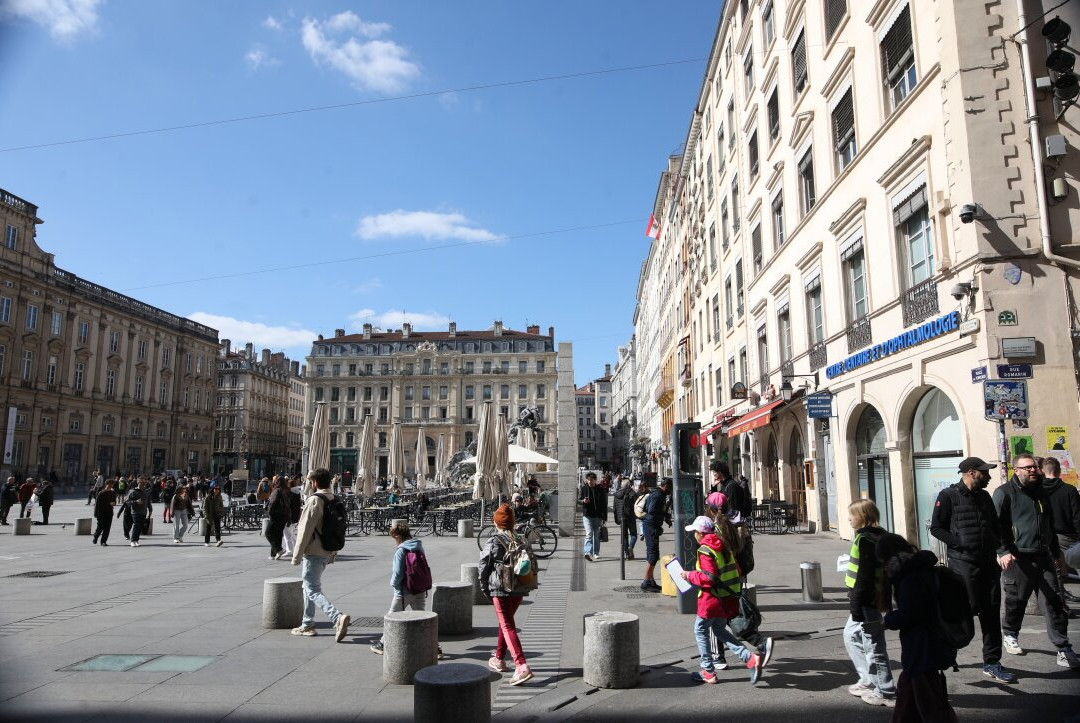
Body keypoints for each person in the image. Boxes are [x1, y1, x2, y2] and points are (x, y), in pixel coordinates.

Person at [929, 456, 1014, 683]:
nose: (988, 476)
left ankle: (992, 662)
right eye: (984, 472)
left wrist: (1001, 550)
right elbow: (936, 528)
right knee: (963, 612)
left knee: (991, 613)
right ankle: (946, 655)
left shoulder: (985, 497)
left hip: (988, 564)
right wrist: (958, 543)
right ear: (970, 472)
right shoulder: (948, 496)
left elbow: (994, 527)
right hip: (963, 564)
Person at [994, 453, 1080, 668]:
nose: (1033, 470)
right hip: (1018, 557)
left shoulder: (1041, 493)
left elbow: (1048, 524)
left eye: (1035, 467)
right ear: (1017, 470)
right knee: (1016, 600)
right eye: (1028, 468)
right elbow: (996, 526)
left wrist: (1056, 554)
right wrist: (1003, 551)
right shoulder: (1004, 493)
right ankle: (1010, 633)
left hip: (1044, 556)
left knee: (1055, 601)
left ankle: (1063, 647)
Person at [876, 532, 960, 722]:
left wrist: (888, 621)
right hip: (926, 644)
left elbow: (912, 612)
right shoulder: (916, 569)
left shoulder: (908, 576)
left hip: (923, 647)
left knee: (930, 703)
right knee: (909, 695)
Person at [679, 515, 764, 685]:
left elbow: (708, 577)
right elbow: (737, 569)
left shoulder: (705, 549)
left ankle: (708, 671)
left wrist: (689, 575)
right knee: (719, 629)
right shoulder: (722, 545)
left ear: (701, 533)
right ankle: (749, 658)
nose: (694, 535)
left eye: (695, 531)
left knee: (701, 630)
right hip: (727, 597)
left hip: (711, 598)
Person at [843, 499, 896, 707]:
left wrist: (856, 605)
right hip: (866, 597)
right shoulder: (876, 536)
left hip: (866, 599)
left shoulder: (867, 539)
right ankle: (868, 679)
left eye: (852, 514)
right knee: (850, 635)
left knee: (874, 646)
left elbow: (864, 577)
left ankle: (886, 691)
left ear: (863, 517)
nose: (848, 518)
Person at [290, 468, 350, 642]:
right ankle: (307, 623)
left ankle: (336, 617)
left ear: (315, 483)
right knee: (307, 586)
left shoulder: (315, 500)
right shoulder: (334, 498)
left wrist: (296, 555)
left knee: (312, 589)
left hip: (314, 550)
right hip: (328, 549)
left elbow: (305, 529)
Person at [478, 503, 534, 686]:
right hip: (518, 588)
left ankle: (521, 665)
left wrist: (484, 588)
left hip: (500, 588)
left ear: (497, 523)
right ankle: (499, 658)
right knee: (506, 623)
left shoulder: (494, 540)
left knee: (507, 625)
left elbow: (483, 567)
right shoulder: (520, 539)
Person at [369, 521, 442, 658]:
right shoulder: (418, 547)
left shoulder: (401, 551)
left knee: (391, 617)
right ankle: (435, 647)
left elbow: (397, 574)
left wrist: (394, 585)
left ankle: (383, 644)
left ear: (397, 536)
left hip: (404, 592)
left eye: (393, 538)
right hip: (419, 589)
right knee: (422, 619)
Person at [1041, 456, 1080, 606]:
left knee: (1055, 572)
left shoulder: (1038, 491)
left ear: (1043, 471)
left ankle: (1060, 603)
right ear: (1059, 470)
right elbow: (1077, 516)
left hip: (1048, 535)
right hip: (1068, 536)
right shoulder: (1069, 490)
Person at [640, 478, 671, 591]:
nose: (671, 490)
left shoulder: (658, 494)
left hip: (651, 526)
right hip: (651, 527)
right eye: (670, 487)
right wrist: (663, 514)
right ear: (666, 486)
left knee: (652, 553)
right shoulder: (658, 495)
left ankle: (651, 581)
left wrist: (665, 516)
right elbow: (652, 510)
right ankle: (645, 583)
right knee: (653, 555)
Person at [579, 471, 608, 562]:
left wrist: (604, 517)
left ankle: (595, 552)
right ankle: (587, 552)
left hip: (597, 516)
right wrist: (583, 501)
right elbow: (578, 500)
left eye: (591, 480)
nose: (589, 482)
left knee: (596, 535)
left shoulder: (600, 489)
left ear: (595, 480)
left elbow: (604, 504)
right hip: (587, 516)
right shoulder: (584, 489)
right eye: (588, 480)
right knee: (589, 533)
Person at [265, 476, 291, 560]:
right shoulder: (287, 490)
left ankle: (278, 549)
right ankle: (273, 554)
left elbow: (272, 503)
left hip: (276, 515)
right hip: (285, 515)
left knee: (268, 533)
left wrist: (269, 512)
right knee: (278, 534)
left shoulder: (277, 490)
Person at [613, 476, 638, 560]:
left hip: (621, 518)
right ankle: (630, 547)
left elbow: (615, 508)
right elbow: (637, 505)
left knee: (624, 536)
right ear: (629, 485)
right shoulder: (633, 493)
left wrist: (617, 518)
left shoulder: (617, 494)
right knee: (633, 534)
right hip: (630, 517)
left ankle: (627, 554)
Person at [126, 480, 151, 547]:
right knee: (136, 525)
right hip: (135, 512)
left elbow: (148, 501)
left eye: (144, 483)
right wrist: (136, 501)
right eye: (141, 483)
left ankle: (136, 540)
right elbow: (127, 502)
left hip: (143, 512)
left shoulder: (145, 492)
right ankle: (132, 540)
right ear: (138, 483)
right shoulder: (133, 491)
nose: (143, 484)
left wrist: (150, 509)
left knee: (140, 527)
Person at [92, 480, 117, 546]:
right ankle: (96, 536)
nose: (111, 485)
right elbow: (97, 504)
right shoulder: (101, 493)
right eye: (110, 484)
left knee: (107, 528)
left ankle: (103, 541)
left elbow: (114, 502)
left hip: (109, 512)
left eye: (112, 484)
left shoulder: (113, 493)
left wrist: (113, 503)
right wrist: (95, 513)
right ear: (106, 484)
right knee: (100, 526)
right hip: (101, 512)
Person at [202, 482, 226, 547]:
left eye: (218, 489)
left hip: (217, 514)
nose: (217, 490)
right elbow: (204, 508)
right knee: (208, 528)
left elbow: (221, 505)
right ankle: (207, 542)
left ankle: (218, 540)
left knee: (217, 528)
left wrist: (221, 511)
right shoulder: (208, 497)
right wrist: (206, 516)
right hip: (209, 514)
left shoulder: (219, 496)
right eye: (215, 489)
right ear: (212, 489)